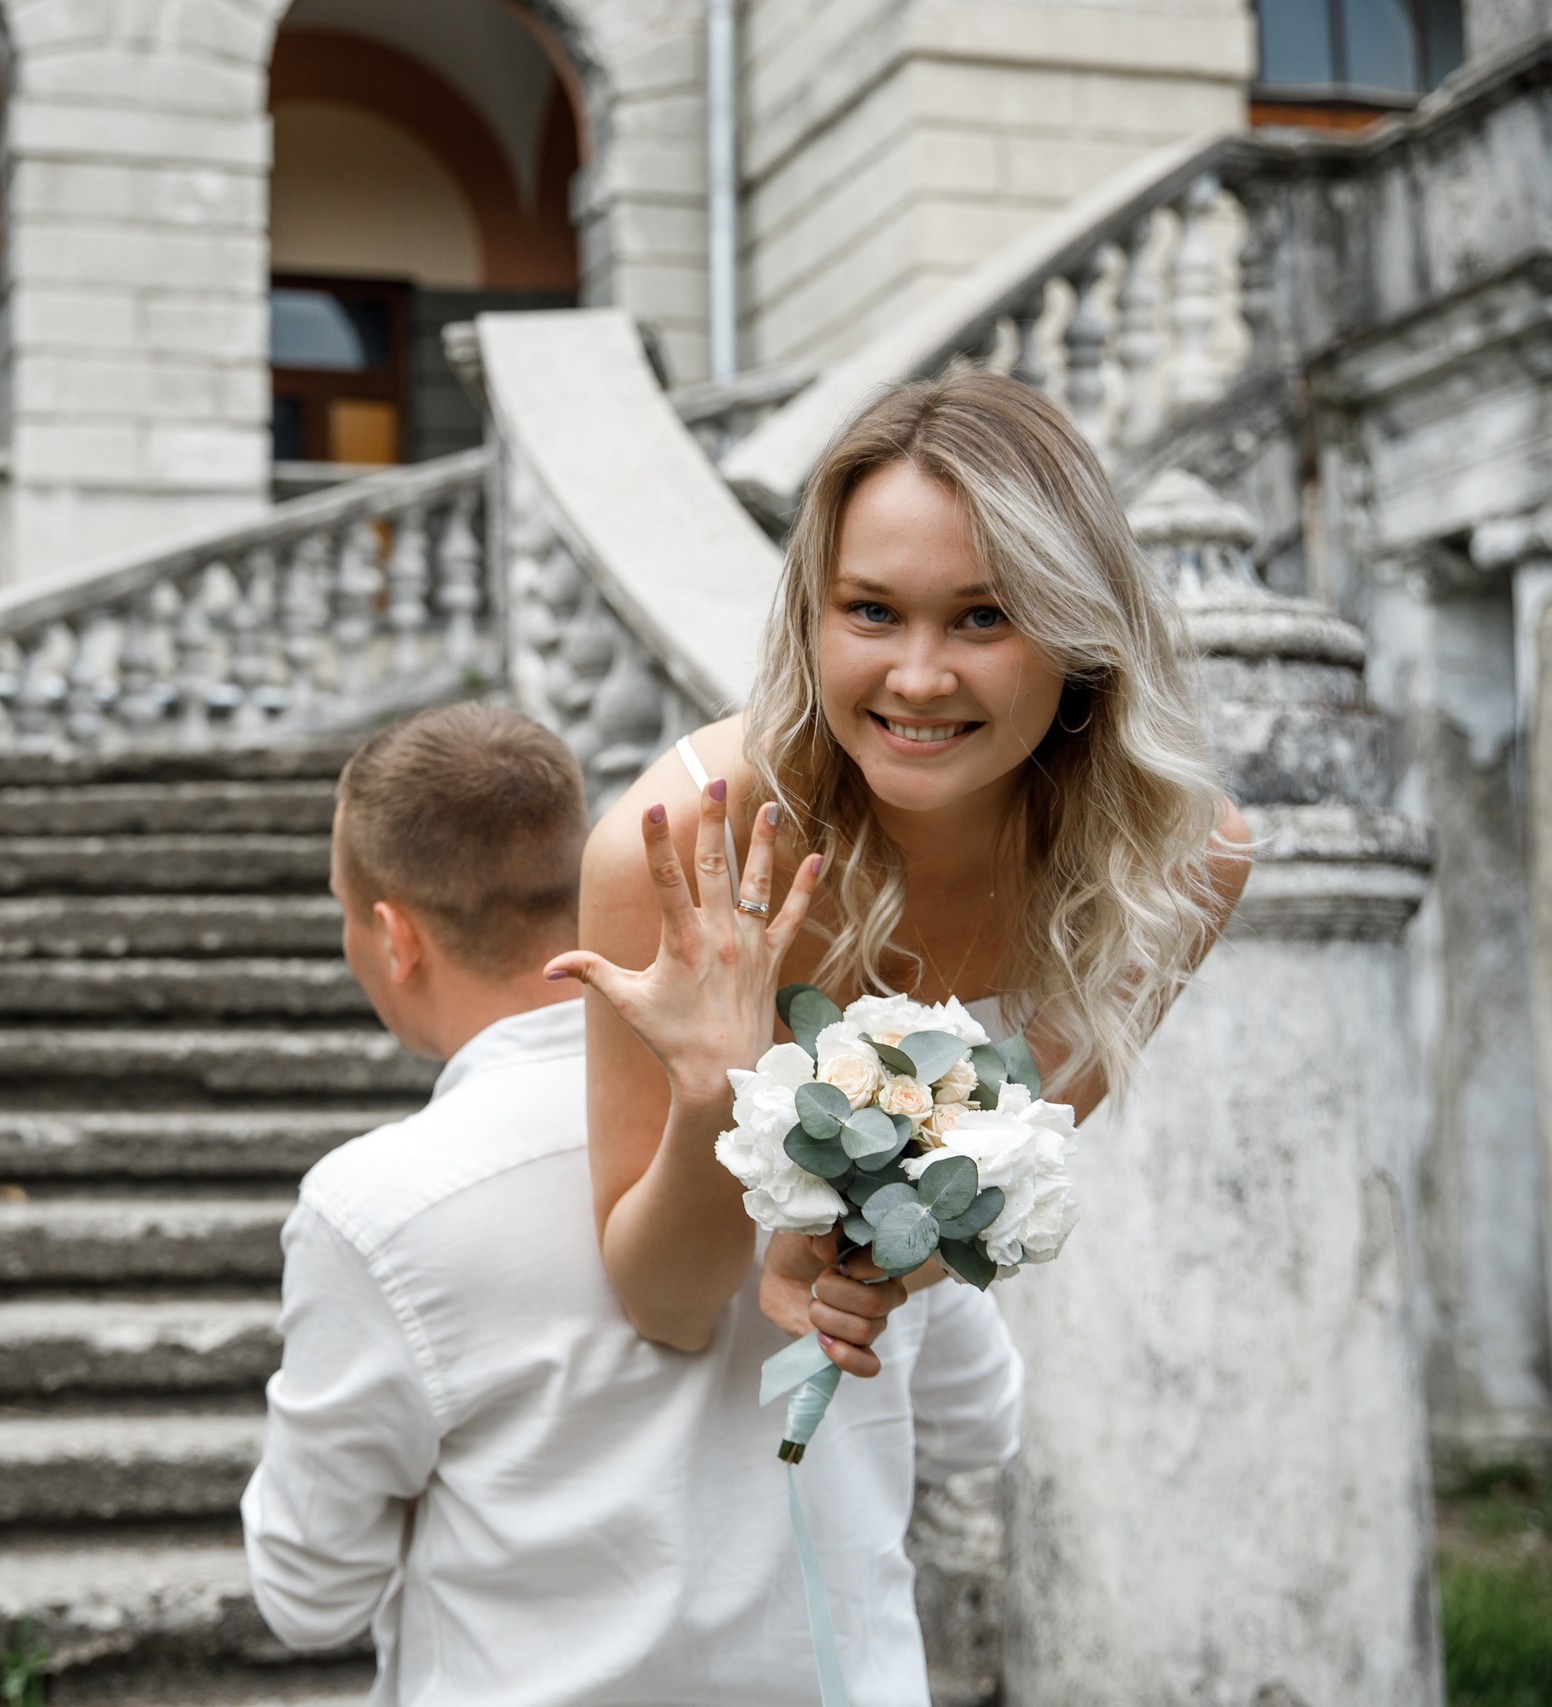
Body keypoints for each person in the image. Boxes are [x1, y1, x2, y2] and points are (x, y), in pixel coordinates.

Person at [242, 702, 1024, 1705]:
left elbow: (310, 1594)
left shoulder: (379, 1207)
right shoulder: (846, 1109)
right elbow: (975, 1427)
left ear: (392, 936)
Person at [547, 370, 1250, 1360]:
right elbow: (664, 1310)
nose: (918, 680)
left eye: (982, 617)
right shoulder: (673, 850)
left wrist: (863, 1267)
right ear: (812, 618)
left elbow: (968, 1191)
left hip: (879, 1377)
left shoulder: (1176, 862)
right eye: (871, 612)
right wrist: (709, 1087)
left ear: (1079, 633)